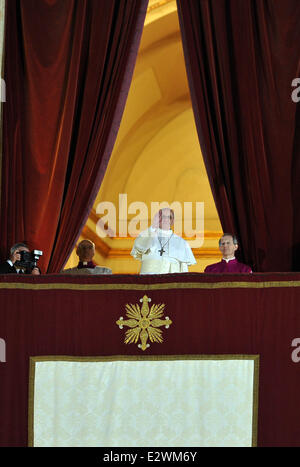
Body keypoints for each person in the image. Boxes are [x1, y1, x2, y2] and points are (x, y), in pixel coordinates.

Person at [131, 208, 196, 274]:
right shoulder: (147, 236)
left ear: (173, 221)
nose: (166, 219)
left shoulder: (182, 243)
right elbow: (139, 245)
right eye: (162, 217)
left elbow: (184, 270)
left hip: (171, 282)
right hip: (148, 281)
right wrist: (153, 227)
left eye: (169, 217)